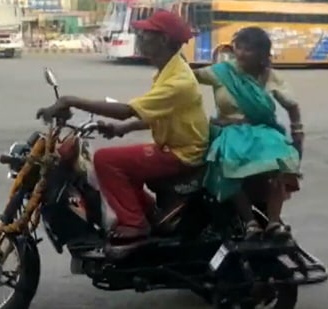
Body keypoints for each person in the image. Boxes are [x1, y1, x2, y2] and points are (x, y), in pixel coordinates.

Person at [36, 10, 209, 250]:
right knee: (121, 164)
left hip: (182, 153)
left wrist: (70, 100)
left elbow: (127, 110)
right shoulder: (169, 71)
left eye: (146, 33)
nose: (139, 36)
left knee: (106, 160)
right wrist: (122, 129)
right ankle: (150, 213)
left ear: (164, 40)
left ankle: (134, 224)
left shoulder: (178, 81)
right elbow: (155, 113)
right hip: (173, 146)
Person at [193, 27, 302, 240]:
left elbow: (292, 105)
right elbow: (189, 77)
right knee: (230, 163)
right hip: (230, 132)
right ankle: (250, 221)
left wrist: (298, 131)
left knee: (280, 160)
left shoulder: (271, 77)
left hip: (261, 131)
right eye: (239, 47)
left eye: (249, 49)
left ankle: (273, 222)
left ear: (262, 55)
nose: (241, 53)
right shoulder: (222, 71)